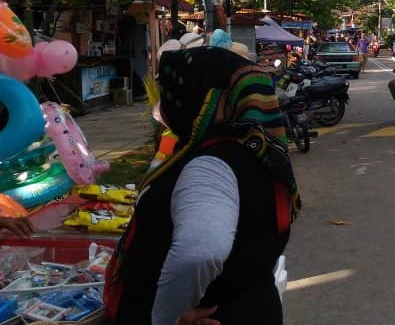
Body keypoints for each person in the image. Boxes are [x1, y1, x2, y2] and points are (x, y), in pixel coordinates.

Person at [105, 46, 301, 325]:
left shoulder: (210, 165)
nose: (163, 104)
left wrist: (167, 316)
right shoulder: (249, 149)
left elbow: (200, 252)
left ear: (198, 99)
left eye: (169, 93)